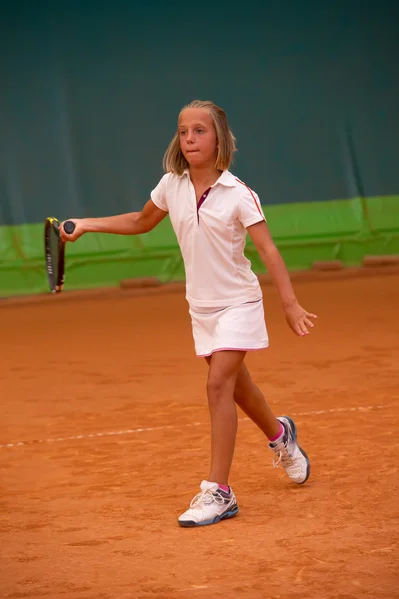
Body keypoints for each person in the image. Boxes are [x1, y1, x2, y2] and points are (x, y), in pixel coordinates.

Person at [60, 100, 317, 528]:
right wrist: (87, 223)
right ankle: (281, 435)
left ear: (219, 139)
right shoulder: (171, 185)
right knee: (237, 388)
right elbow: (142, 221)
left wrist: (289, 304)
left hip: (239, 302)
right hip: (201, 307)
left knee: (217, 384)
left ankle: (220, 492)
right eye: (183, 132)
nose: (190, 139)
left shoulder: (239, 194)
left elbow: (268, 250)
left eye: (200, 131)